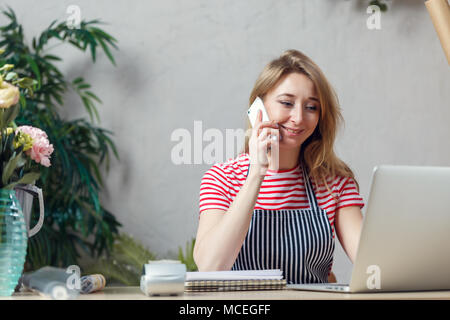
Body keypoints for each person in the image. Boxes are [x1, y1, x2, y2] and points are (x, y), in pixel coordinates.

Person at [194, 49, 365, 284]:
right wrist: (256, 173)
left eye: (311, 107)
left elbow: (372, 264)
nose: (298, 117)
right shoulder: (222, 178)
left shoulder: (334, 182)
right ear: (258, 107)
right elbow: (210, 267)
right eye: (286, 103)